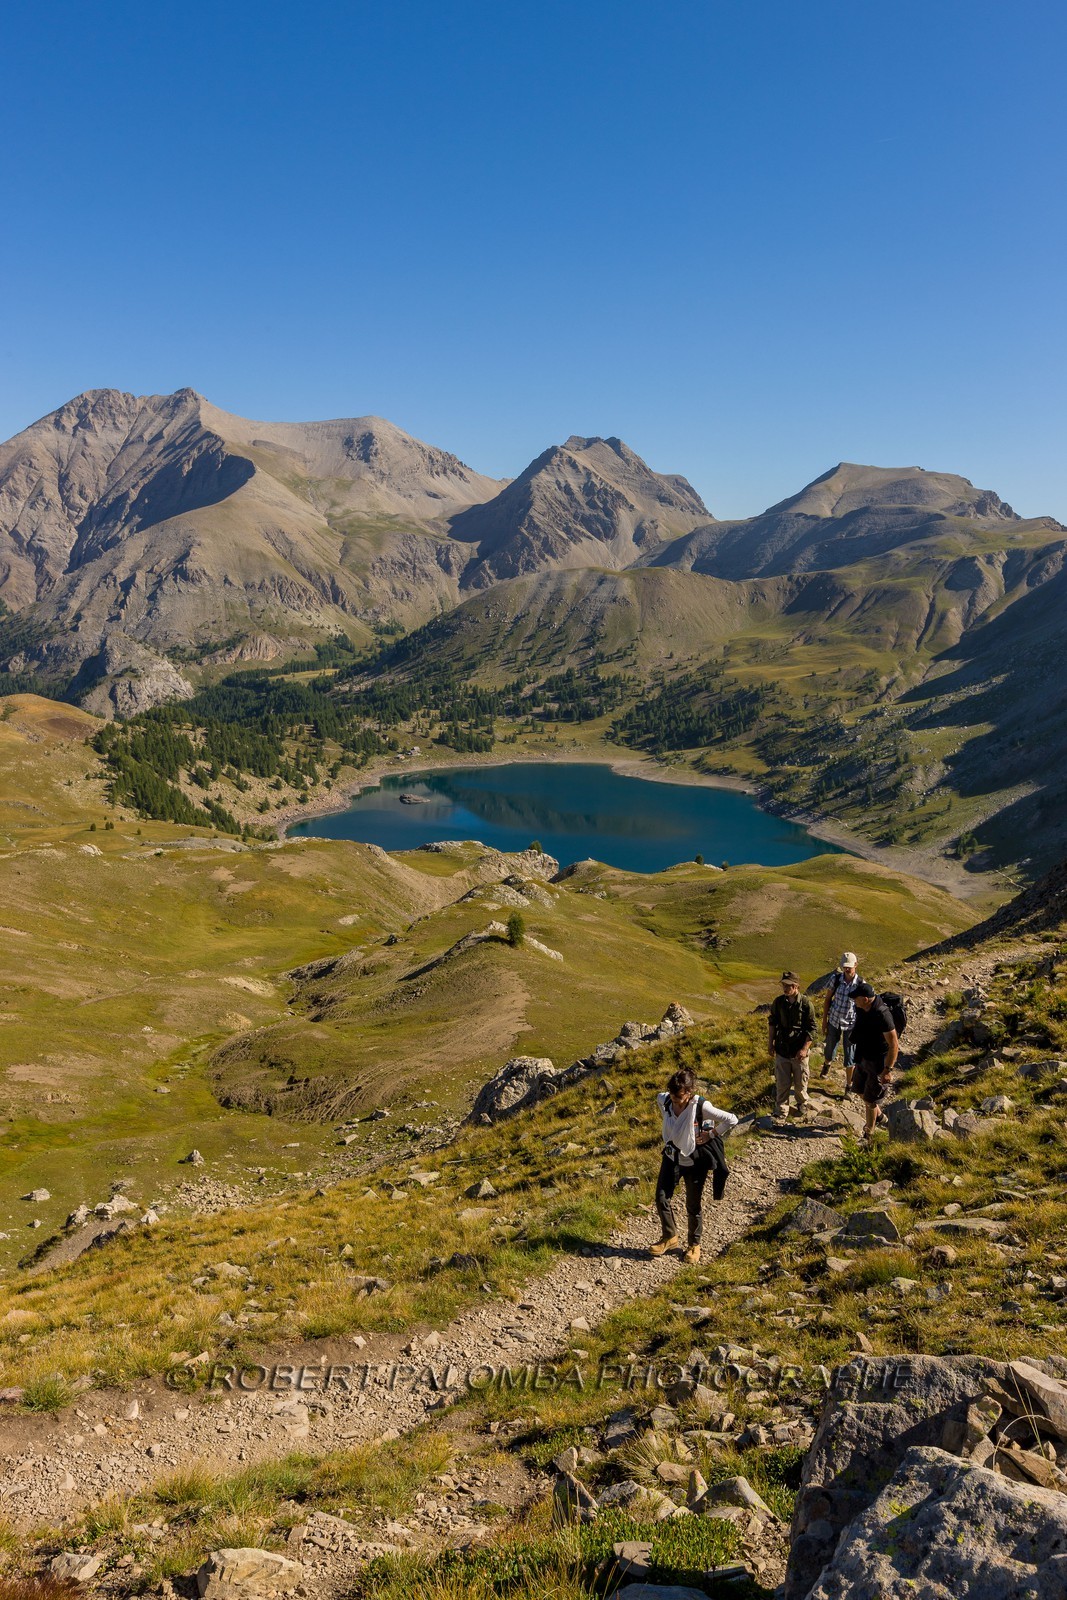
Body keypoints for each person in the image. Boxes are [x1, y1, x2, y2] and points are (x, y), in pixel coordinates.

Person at [650, 1068, 738, 1265]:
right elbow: (665, 1108)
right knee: (661, 1197)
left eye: (679, 1097)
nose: (675, 1101)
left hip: (695, 1160)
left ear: (689, 1093)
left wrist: (711, 1134)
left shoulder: (702, 1107)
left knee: (693, 1204)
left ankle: (694, 1245)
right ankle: (669, 1237)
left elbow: (732, 1119)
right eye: (673, 1097)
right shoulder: (664, 1100)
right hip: (672, 1157)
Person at [850, 981, 899, 1141]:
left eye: (855, 998)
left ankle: (868, 1134)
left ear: (865, 998)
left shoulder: (882, 1014)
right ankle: (880, 1117)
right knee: (858, 1089)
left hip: (878, 1061)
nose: (853, 1001)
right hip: (863, 1056)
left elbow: (893, 1044)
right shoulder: (863, 1009)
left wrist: (888, 1070)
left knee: (870, 1100)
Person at [769, 970, 816, 1118]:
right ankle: (781, 1111)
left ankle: (802, 1104)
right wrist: (770, 1044)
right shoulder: (778, 1002)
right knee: (782, 1083)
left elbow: (812, 1029)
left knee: (800, 1083)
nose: (785, 988)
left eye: (789, 985)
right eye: (784, 985)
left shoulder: (806, 1004)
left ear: (796, 986)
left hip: (799, 1052)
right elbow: (772, 1023)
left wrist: (804, 1049)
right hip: (782, 1049)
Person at [822, 951, 860, 1090]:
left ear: (856, 965)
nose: (847, 969)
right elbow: (827, 1000)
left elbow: (863, 1008)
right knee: (830, 1047)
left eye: (849, 966)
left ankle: (849, 1085)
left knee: (850, 1055)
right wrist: (824, 1021)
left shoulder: (860, 984)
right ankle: (827, 1065)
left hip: (851, 1025)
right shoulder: (836, 979)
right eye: (845, 966)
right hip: (834, 1020)